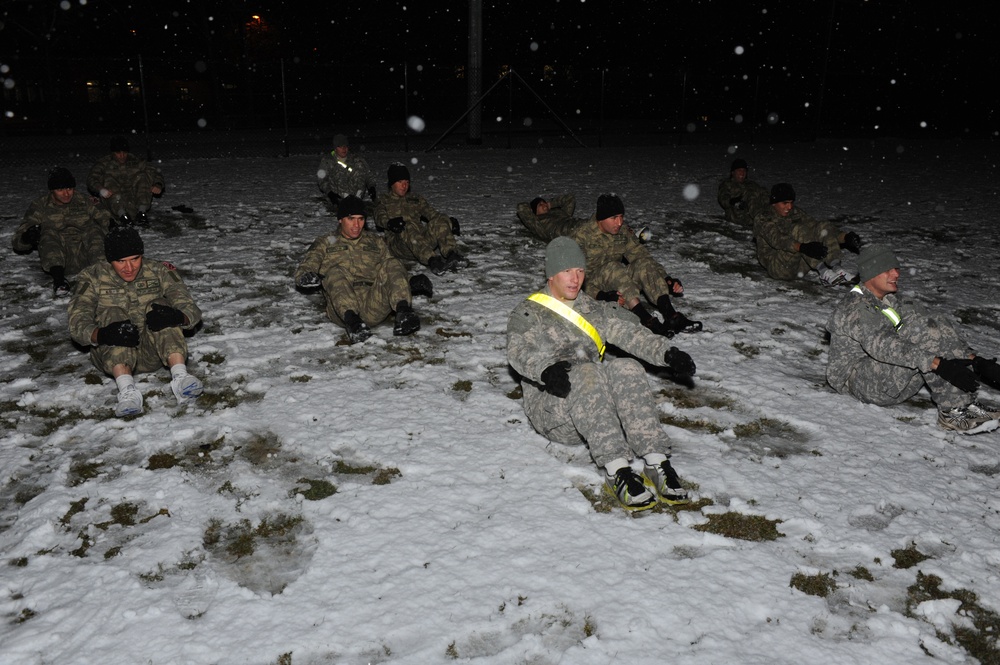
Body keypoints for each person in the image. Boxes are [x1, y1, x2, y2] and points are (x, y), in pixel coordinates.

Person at [506, 236, 698, 511]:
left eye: (580, 271)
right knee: (587, 372)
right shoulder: (529, 312)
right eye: (567, 271)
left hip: (594, 406)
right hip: (554, 409)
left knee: (626, 366)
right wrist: (545, 370)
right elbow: (518, 351)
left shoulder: (591, 308)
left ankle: (656, 461)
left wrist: (667, 353)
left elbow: (629, 333)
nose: (575, 279)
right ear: (551, 274)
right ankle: (616, 469)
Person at [826, 244, 1000, 434]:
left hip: (888, 381)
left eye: (896, 268)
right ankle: (953, 412)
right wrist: (939, 365)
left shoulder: (890, 299)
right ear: (871, 273)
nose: (896, 274)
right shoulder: (855, 307)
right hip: (859, 384)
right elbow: (883, 345)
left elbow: (934, 330)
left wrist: (975, 361)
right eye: (888, 270)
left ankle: (963, 405)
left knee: (934, 322)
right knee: (920, 338)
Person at [68, 225, 204, 417]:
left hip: (154, 352)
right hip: (110, 355)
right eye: (121, 261)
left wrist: (177, 316)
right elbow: (77, 322)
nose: (129, 268)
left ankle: (180, 377)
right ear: (110, 259)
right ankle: (127, 392)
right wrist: (102, 334)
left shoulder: (158, 271)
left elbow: (190, 308)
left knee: (160, 308)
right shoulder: (92, 277)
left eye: (135, 259)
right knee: (113, 312)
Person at [295, 195, 428, 344]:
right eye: (351, 219)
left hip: (372, 303)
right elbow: (308, 264)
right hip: (341, 309)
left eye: (361, 219)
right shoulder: (325, 242)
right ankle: (354, 325)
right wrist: (305, 276)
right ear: (340, 220)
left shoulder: (375, 241)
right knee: (334, 272)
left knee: (392, 262)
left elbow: (391, 269)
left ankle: (404, 314)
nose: (356, 225)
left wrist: (411, 280)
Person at [570, 193, 701, 337]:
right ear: (601, 218)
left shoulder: (622, 232)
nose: (619, 222)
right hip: (592, 287)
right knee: (613, 267)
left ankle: (672, 316)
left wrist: (666, 279)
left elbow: (642, 256)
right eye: (614, 218)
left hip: (618, 281)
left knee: (643, 264)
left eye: (621, 216)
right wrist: (600, 295)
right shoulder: (581, 236)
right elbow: (571, 278)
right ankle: (646, 320)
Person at [13, 166, 111, 297]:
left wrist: (113, 225)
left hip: (87, 255)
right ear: (52, 190)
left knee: (94, 229)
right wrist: (26, 237)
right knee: (48, 233)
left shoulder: (84, 200)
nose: (66, 194)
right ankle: (59, 282)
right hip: (59, 260)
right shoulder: (40, 205)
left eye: (69, 189)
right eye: (60, 190)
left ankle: (103, 274)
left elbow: (105, 220)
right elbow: (17, 242)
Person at [752, 182, 863, 286]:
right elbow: (777, 240)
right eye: (785, 203)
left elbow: (815, 227)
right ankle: (824, 272)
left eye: (791, 202)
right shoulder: (763, 217)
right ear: (774, 203)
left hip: (800, 265)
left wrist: (845, 237)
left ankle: (837, 269)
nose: (789, 207)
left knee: (823, 225)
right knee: (798, 229)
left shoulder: (794, 212)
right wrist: (803, 247)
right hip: (779, 267)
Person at [373, 163, 466, 276]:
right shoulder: (383, 200)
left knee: (440, 218)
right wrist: (389, 223)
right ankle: (433, 260)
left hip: (421, 240)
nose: (404, 186)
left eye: (407, 182)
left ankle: (451, 254)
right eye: (400, 182)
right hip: (400, 245)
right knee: (406, 225)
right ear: (392, 183)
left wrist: (448, 221)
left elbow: (432, 213)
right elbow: (379, 217)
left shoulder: (415, 199)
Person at [86, 135, 165, 225]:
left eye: (124, 152)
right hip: (114, 205)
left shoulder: (136, 161)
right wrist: (100, 189)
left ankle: (141, 214)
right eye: (118, 153)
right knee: (108, 179)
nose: (122, 156)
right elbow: (91, 179)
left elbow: (154, 172)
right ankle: (123, 215)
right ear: (113, 153)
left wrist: (158, 184)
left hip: (134, 202)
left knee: (142, 176)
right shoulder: (104, 163)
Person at [316, 133, 379, 212]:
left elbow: (369, 175)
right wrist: (330, 194)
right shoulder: (327, 161)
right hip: (337, 199)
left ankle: (356, 201)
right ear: (335, 148)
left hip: (357, 198)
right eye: (340, 146)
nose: (344, 149)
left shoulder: (357, 160)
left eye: (345, 146)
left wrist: (371, 188)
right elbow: (322, 180)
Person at [717, 158, 769, 226]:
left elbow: (763, 193)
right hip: (738, 216)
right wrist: (734, 202)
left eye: (744, 171)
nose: (742, 173)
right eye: (739, 170)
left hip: (753, 212)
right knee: (751, 193)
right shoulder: (727, 184)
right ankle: (760, 219)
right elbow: (723, 199)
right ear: (733, 172)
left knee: (764, 193)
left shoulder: (751, 184)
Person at [516, 193, 584, 242]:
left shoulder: (560, 212)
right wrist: (532, 212)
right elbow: (521, 207)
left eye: (544, 202)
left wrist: (551, 204)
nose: (544, 205)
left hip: (579, 224)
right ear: (535, 211)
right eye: (540, 205)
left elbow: (570, 198)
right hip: (570, 233)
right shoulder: (537, 223)